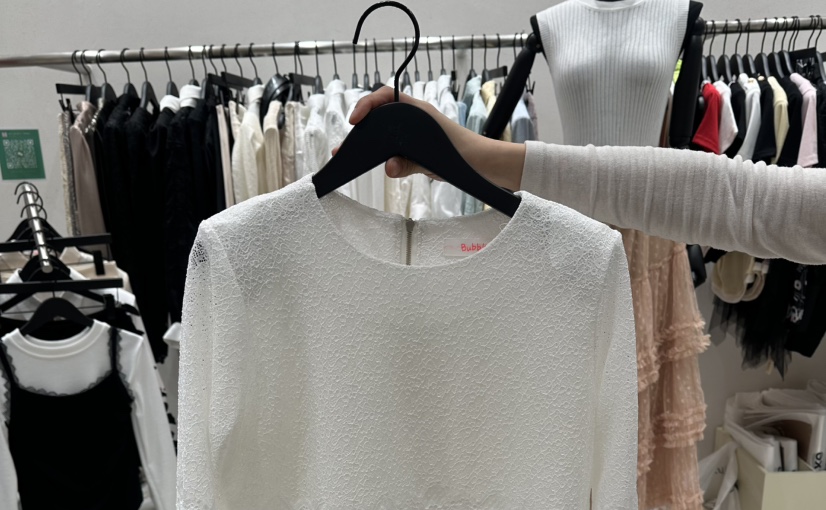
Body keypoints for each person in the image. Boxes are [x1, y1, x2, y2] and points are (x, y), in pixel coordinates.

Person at [344, 87, 826, 265]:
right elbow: (746, 202)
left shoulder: (680, 15)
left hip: (644, 247)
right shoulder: (552, 23)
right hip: (591, 222)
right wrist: (473, 154)